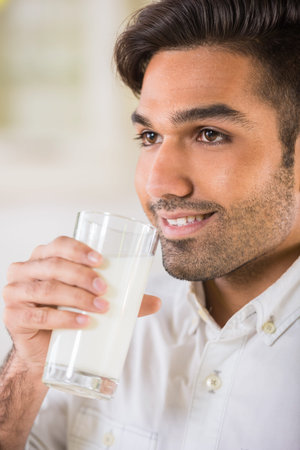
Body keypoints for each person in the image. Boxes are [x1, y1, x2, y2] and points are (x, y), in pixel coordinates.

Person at [1, 0, 300, 448]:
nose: (158, 182)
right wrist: (26, 369)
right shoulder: (100, 325)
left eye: (209, 134)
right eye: (150, 137)